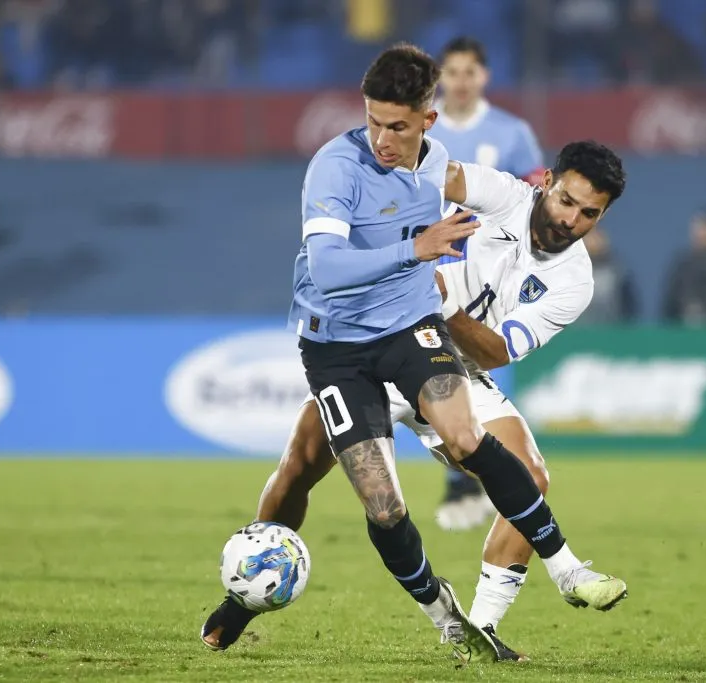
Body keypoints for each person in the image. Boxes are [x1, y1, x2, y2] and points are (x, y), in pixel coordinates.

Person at [201, 43, 627, 663]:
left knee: (522, 466)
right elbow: (434, 184)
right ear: (547, 183)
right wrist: (415, 231)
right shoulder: (498, 192)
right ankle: (246, 598)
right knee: (308, 468)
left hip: (437, 341)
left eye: (589, 214)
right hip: (359, 337)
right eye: (566, 200)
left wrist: (437, 294)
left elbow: (500, 351)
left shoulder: (575, 281)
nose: (571, 218)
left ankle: (491, 618)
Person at [428, 35, 546, 531]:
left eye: (468, 72)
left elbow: (539, 191)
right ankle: (463, 476)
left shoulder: (511, 132)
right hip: (430, 265)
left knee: (479, 361)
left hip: (492, 273)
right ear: (441, 78)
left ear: (484, 77)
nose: (459, 81)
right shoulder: (422, 125)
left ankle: (469, 477)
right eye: (451, 72)